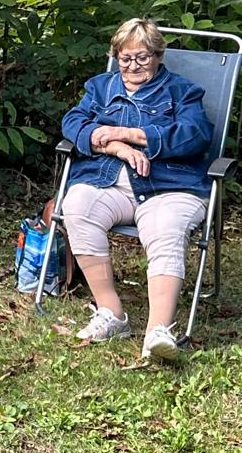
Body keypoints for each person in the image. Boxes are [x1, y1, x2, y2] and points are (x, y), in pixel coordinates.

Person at [60, 18, 212, 360]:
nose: (132, 66)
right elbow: (73, 122)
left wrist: (129, 134)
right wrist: (116, 147)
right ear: (116, 56)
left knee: (165, 226)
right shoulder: (100, 87)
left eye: (142, 57)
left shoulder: (182, 91)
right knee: (78, 204)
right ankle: (111, 313)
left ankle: (158, 332)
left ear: (158, 56)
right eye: (125, 58)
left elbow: (194, 135)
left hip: (168, 186)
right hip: (109, 182)